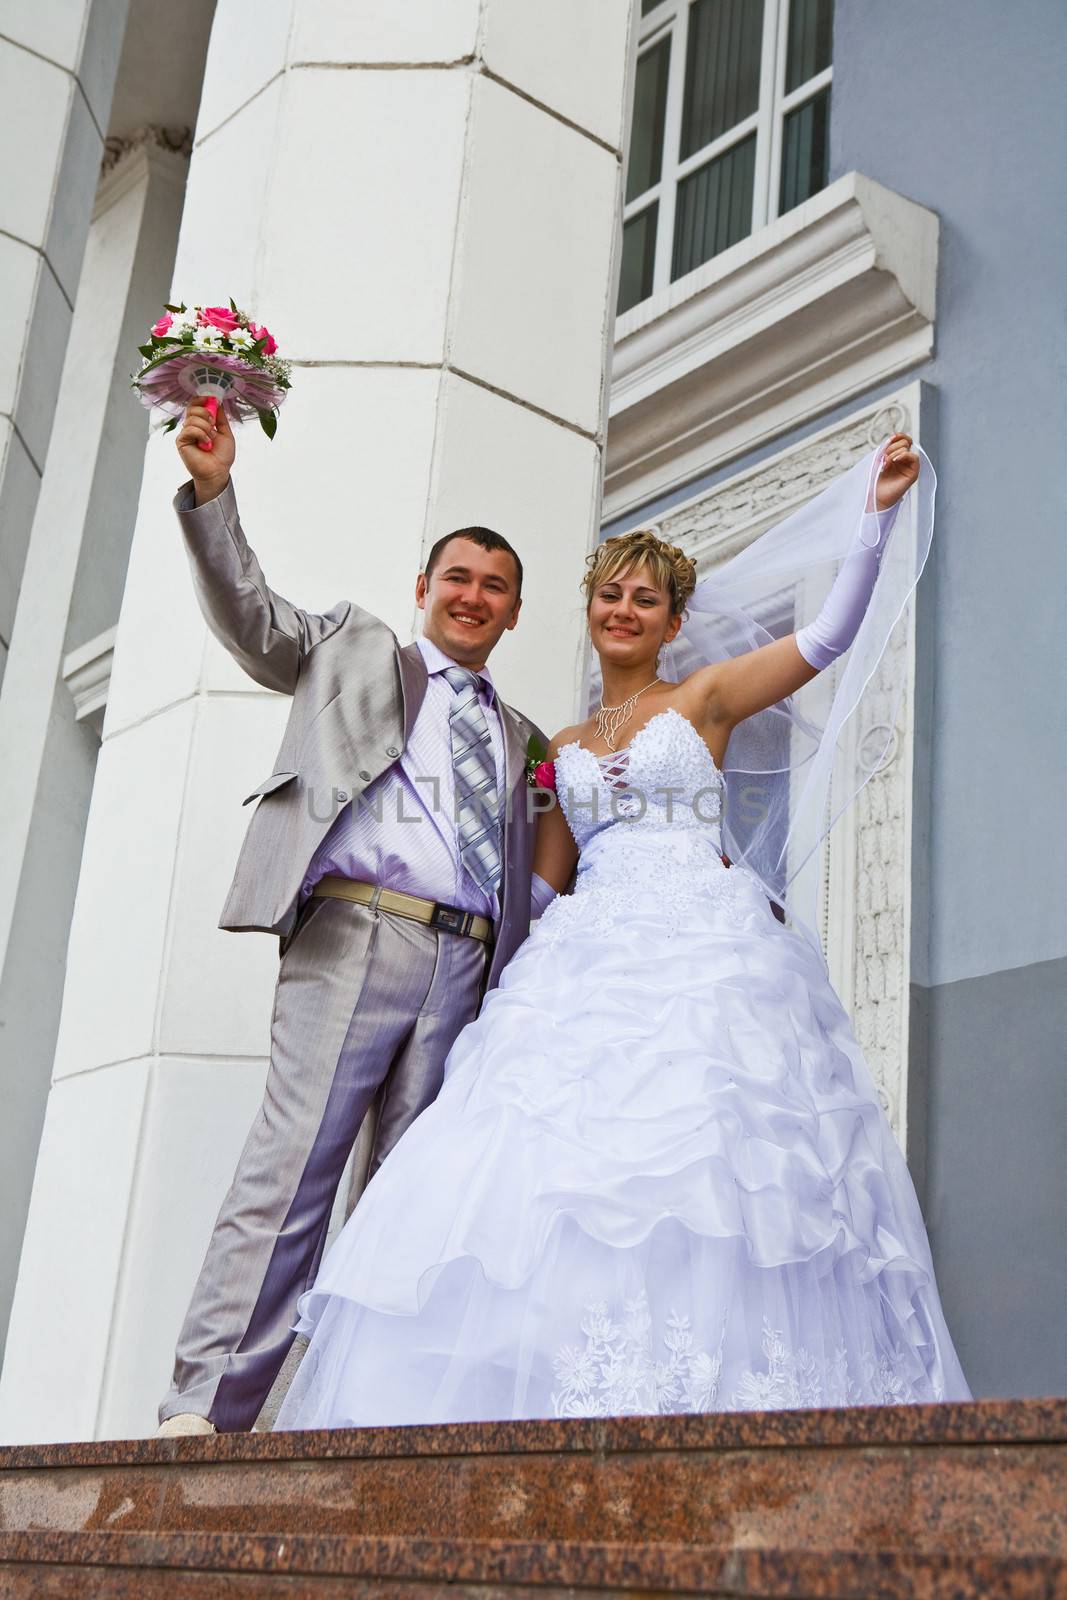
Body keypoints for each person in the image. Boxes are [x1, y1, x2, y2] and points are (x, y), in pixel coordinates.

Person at [273, 432, 971, 1428]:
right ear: (590, 610)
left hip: (703, 950)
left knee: (704, 1165)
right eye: (610, 594)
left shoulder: (706, 697)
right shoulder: (554, 746)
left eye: (646, 598)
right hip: (588, 954)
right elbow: (548, 879)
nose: (624, 610)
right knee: (550, 1176)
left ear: (672, 620)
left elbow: (824, 637)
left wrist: (872, 519)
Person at [157, 401, 543, 1436]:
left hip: (466, 969)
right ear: (423, 590)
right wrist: (209, 490)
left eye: (493, 586)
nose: (471, 596)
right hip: (352, 934)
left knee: (414, 1203)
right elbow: (251, 617)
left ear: (514, 612)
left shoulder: (523, 739)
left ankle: (361, 1416)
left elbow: (556, 859)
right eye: (455, 578)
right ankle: (204, 1410)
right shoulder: (350, 644)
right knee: (289, 1174)